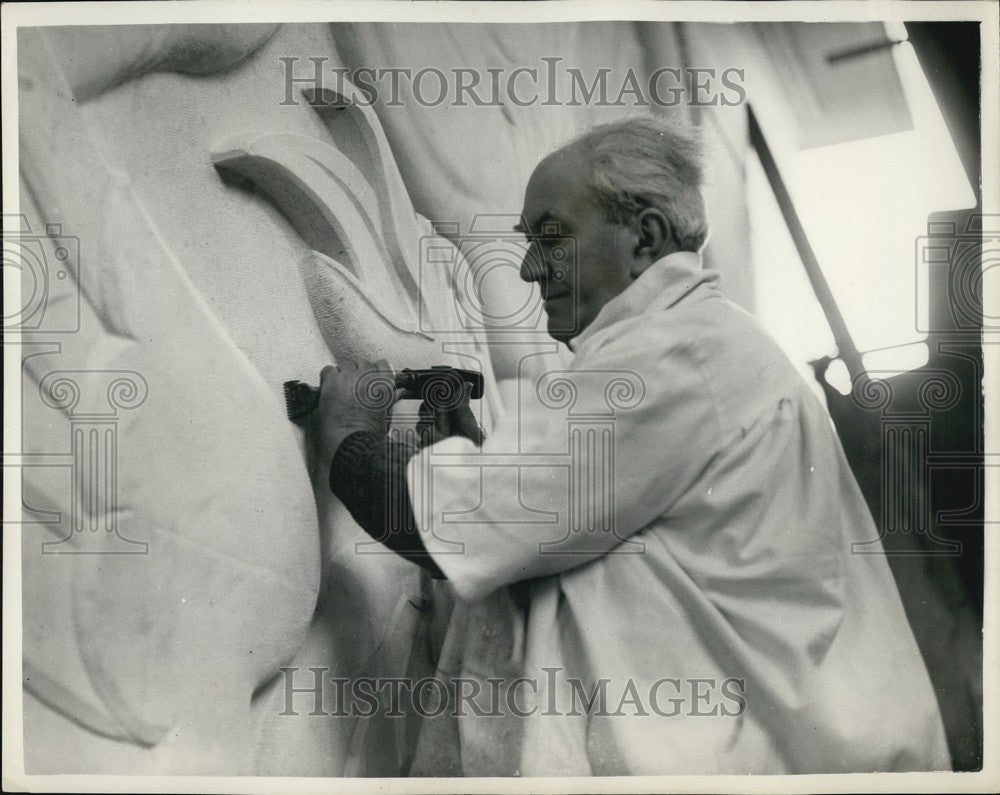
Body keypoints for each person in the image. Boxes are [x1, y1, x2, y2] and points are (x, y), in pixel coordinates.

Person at [314, 116, 950, 775]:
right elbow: (561, 523)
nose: (530, 269)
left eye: (552, 236)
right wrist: (482, 464)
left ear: (643, 237)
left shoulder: (674, 350)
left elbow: (466, 526)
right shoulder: (693, 342)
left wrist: (347, 439)